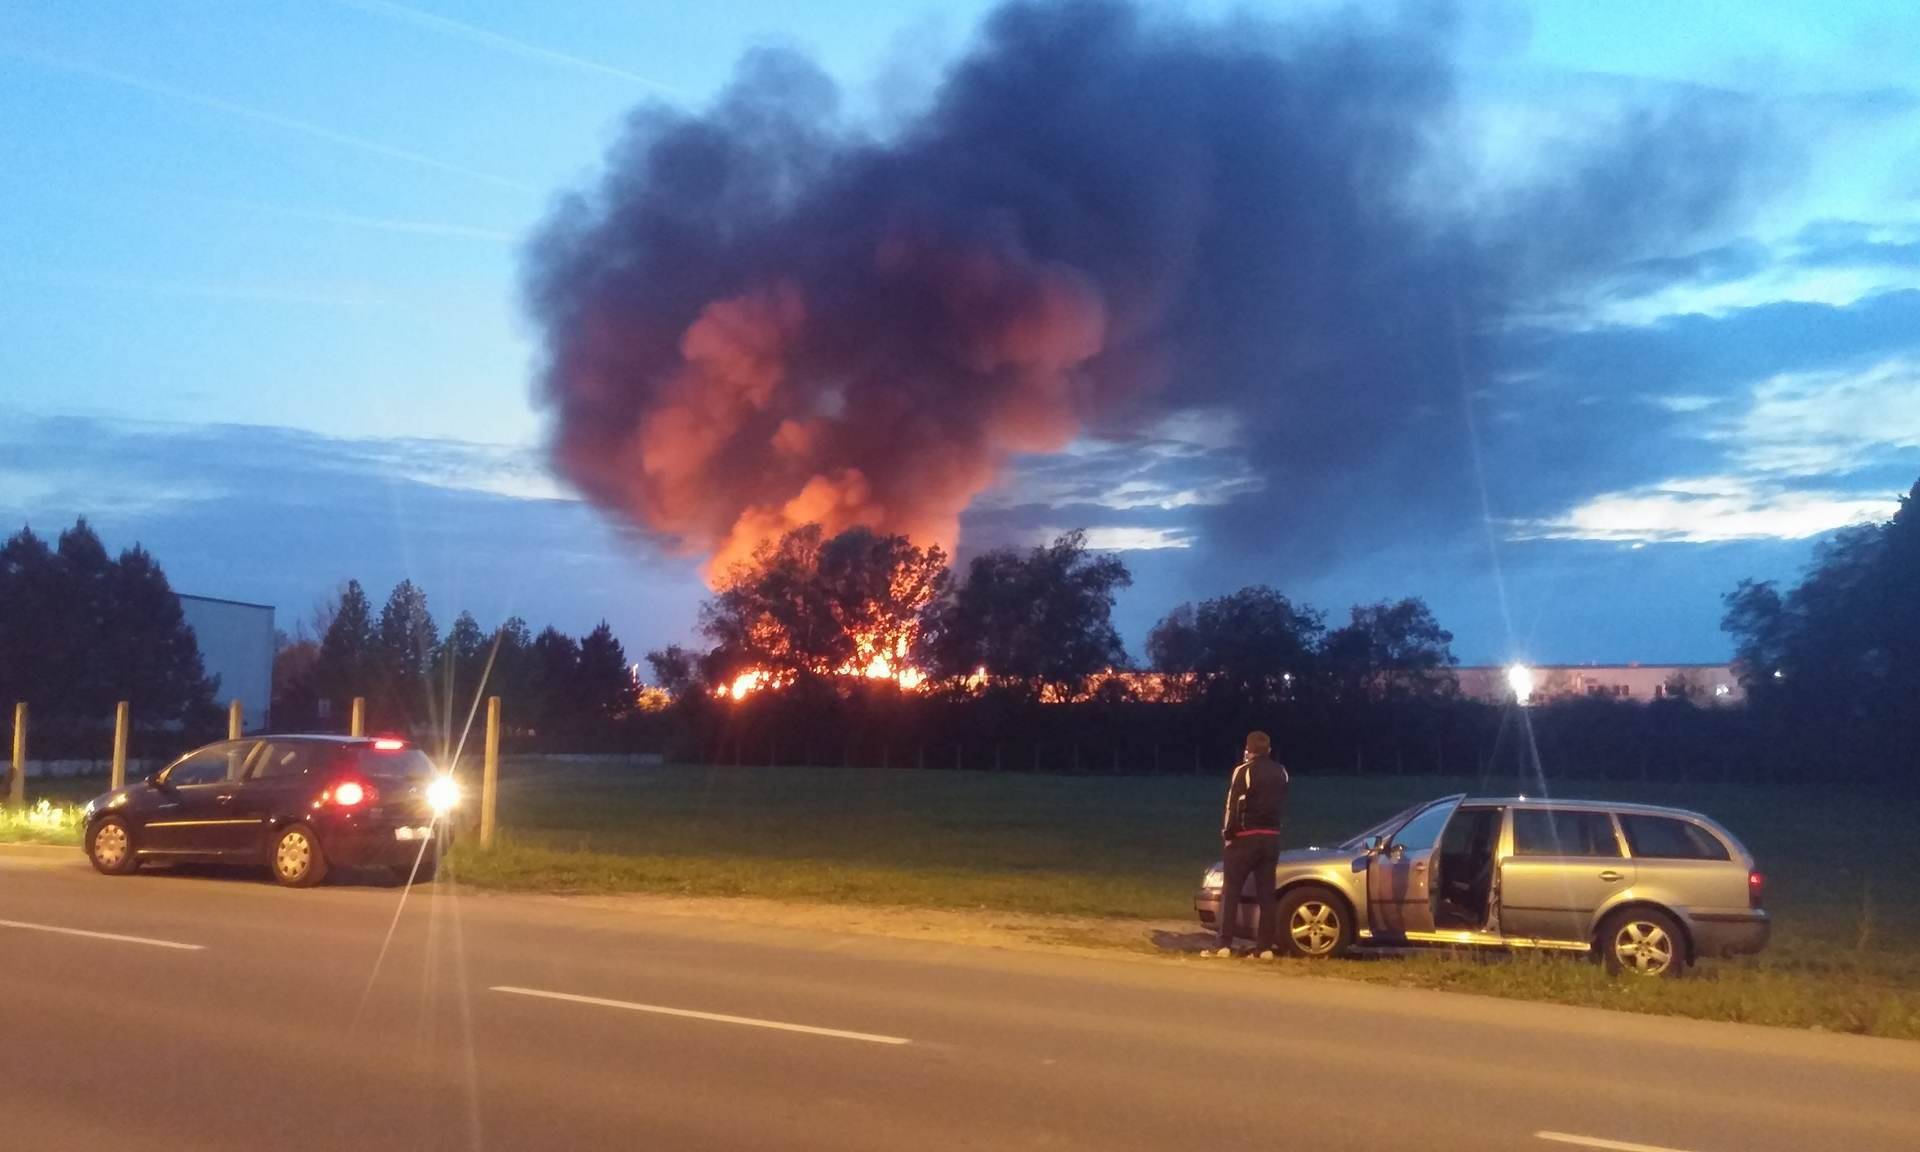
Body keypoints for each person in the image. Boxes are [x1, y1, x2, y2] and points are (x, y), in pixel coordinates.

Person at [1204, 730, 1290, 959]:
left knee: (1231, 891)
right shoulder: (1281, 772)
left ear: (1249, 750)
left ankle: (1223, 944)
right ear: (1269, 750)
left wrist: (1228, 835)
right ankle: (1264, 948)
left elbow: (1233, 805)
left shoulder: (1243, 771)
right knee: (1266, 895)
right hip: (1271, 837)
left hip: (1245, 838)